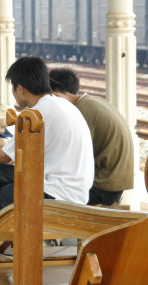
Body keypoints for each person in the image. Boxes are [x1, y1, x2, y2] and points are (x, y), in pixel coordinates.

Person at [0, 56, 93, 232]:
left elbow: (6, 156)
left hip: (61, 193)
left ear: (20, 89)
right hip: (75, 191)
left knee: (2, 188)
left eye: (13, 89)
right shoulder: (60, 105)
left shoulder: (39, 113)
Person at [49, 68, 135, 206]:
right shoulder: (91, 101)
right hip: (115, 180)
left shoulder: (81, 112)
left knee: (46, 193)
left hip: (105, 186)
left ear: (56, 96)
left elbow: (71, 157)